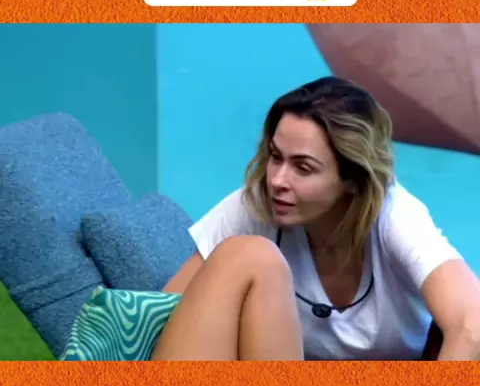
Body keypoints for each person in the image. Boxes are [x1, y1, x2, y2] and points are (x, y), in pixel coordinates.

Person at [152, 77, 480, 361]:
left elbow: (472, 323)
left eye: (303, 167)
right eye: (275, 157)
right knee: (250, 255)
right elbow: (164, 312)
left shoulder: (394, 215)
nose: (277, 180)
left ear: (353, 179)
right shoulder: (258, 203)